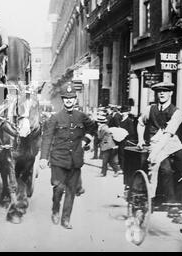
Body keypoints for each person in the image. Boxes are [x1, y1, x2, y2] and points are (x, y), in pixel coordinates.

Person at [39, 82, 96, 229]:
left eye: (71, 98)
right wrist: (43, 158)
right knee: (58, 188)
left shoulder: (82, 116)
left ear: (75, 99)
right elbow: (47, 138)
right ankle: (55, 209)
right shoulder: (55, 118)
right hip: (58, 160)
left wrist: (85, 140)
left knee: (71, 191)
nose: (69, 100)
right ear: (63, 100)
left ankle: (65, 219)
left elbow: (93, 128)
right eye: (66, 98)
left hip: (75, 161)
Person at [137, 81, 182, 224]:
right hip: (156, 143)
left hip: (172, 143)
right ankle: (171, 205)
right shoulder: (150, 109)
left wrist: (155, 154)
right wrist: (141, 139)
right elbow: (141, 123)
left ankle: (178, 201)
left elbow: (168, 135)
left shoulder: (176, 112)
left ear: (171, 93)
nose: (161, 93)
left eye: (165, 91)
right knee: (165, 170)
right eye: (159, 91)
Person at [97, 112, 121, 177]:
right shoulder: (106, 127)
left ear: (99, 122)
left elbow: (99, 137)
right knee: (110, 160)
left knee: (105, 160)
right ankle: (116, 171)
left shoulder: (102, 128)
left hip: (106, 146)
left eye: (98, 122)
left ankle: (103, 173)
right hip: (110, 146)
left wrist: (98, 131)